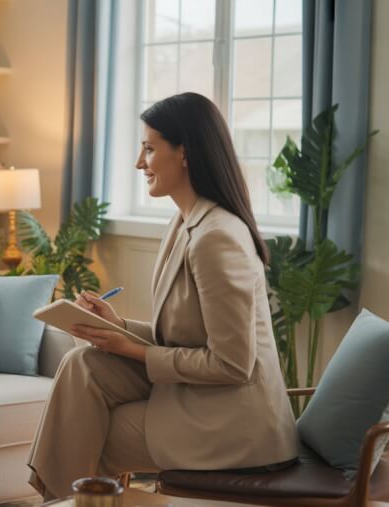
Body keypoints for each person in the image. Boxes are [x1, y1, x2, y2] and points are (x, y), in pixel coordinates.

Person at [27, 92, 298, 499]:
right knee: (82, 362)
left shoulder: (217, 237)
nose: (140, 163)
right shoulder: (184, 222)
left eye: (149, 149)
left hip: (233, 424)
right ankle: (62, 498)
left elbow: (232, 364)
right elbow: (186, 337)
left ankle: (63, 497)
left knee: (88, 432)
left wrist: (130, 348)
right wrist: (117, 327)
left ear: (184, 153)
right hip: (197, 396)